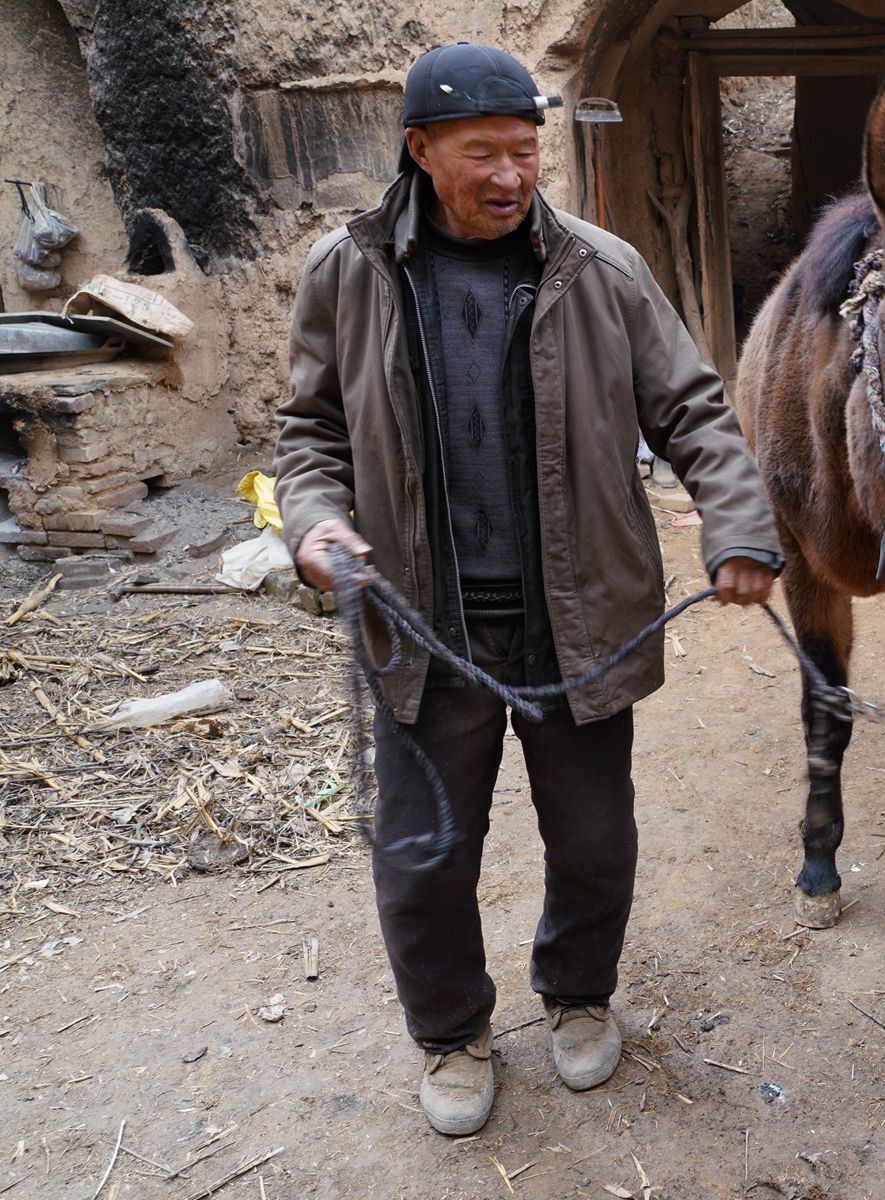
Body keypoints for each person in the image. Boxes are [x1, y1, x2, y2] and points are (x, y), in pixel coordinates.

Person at [273, 42, 780, 1136]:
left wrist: (738, 524)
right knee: (424, 859)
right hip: (422, 624)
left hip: (577, 617)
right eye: (483, 153)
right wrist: (312, 524)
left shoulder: (600, 269)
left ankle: (579, 994)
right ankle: (451, 1032)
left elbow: (693, 411)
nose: (510, 175)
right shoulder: (348, 271)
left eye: (524, 150)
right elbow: (308, 434)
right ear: (421, 151)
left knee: (594, 841)